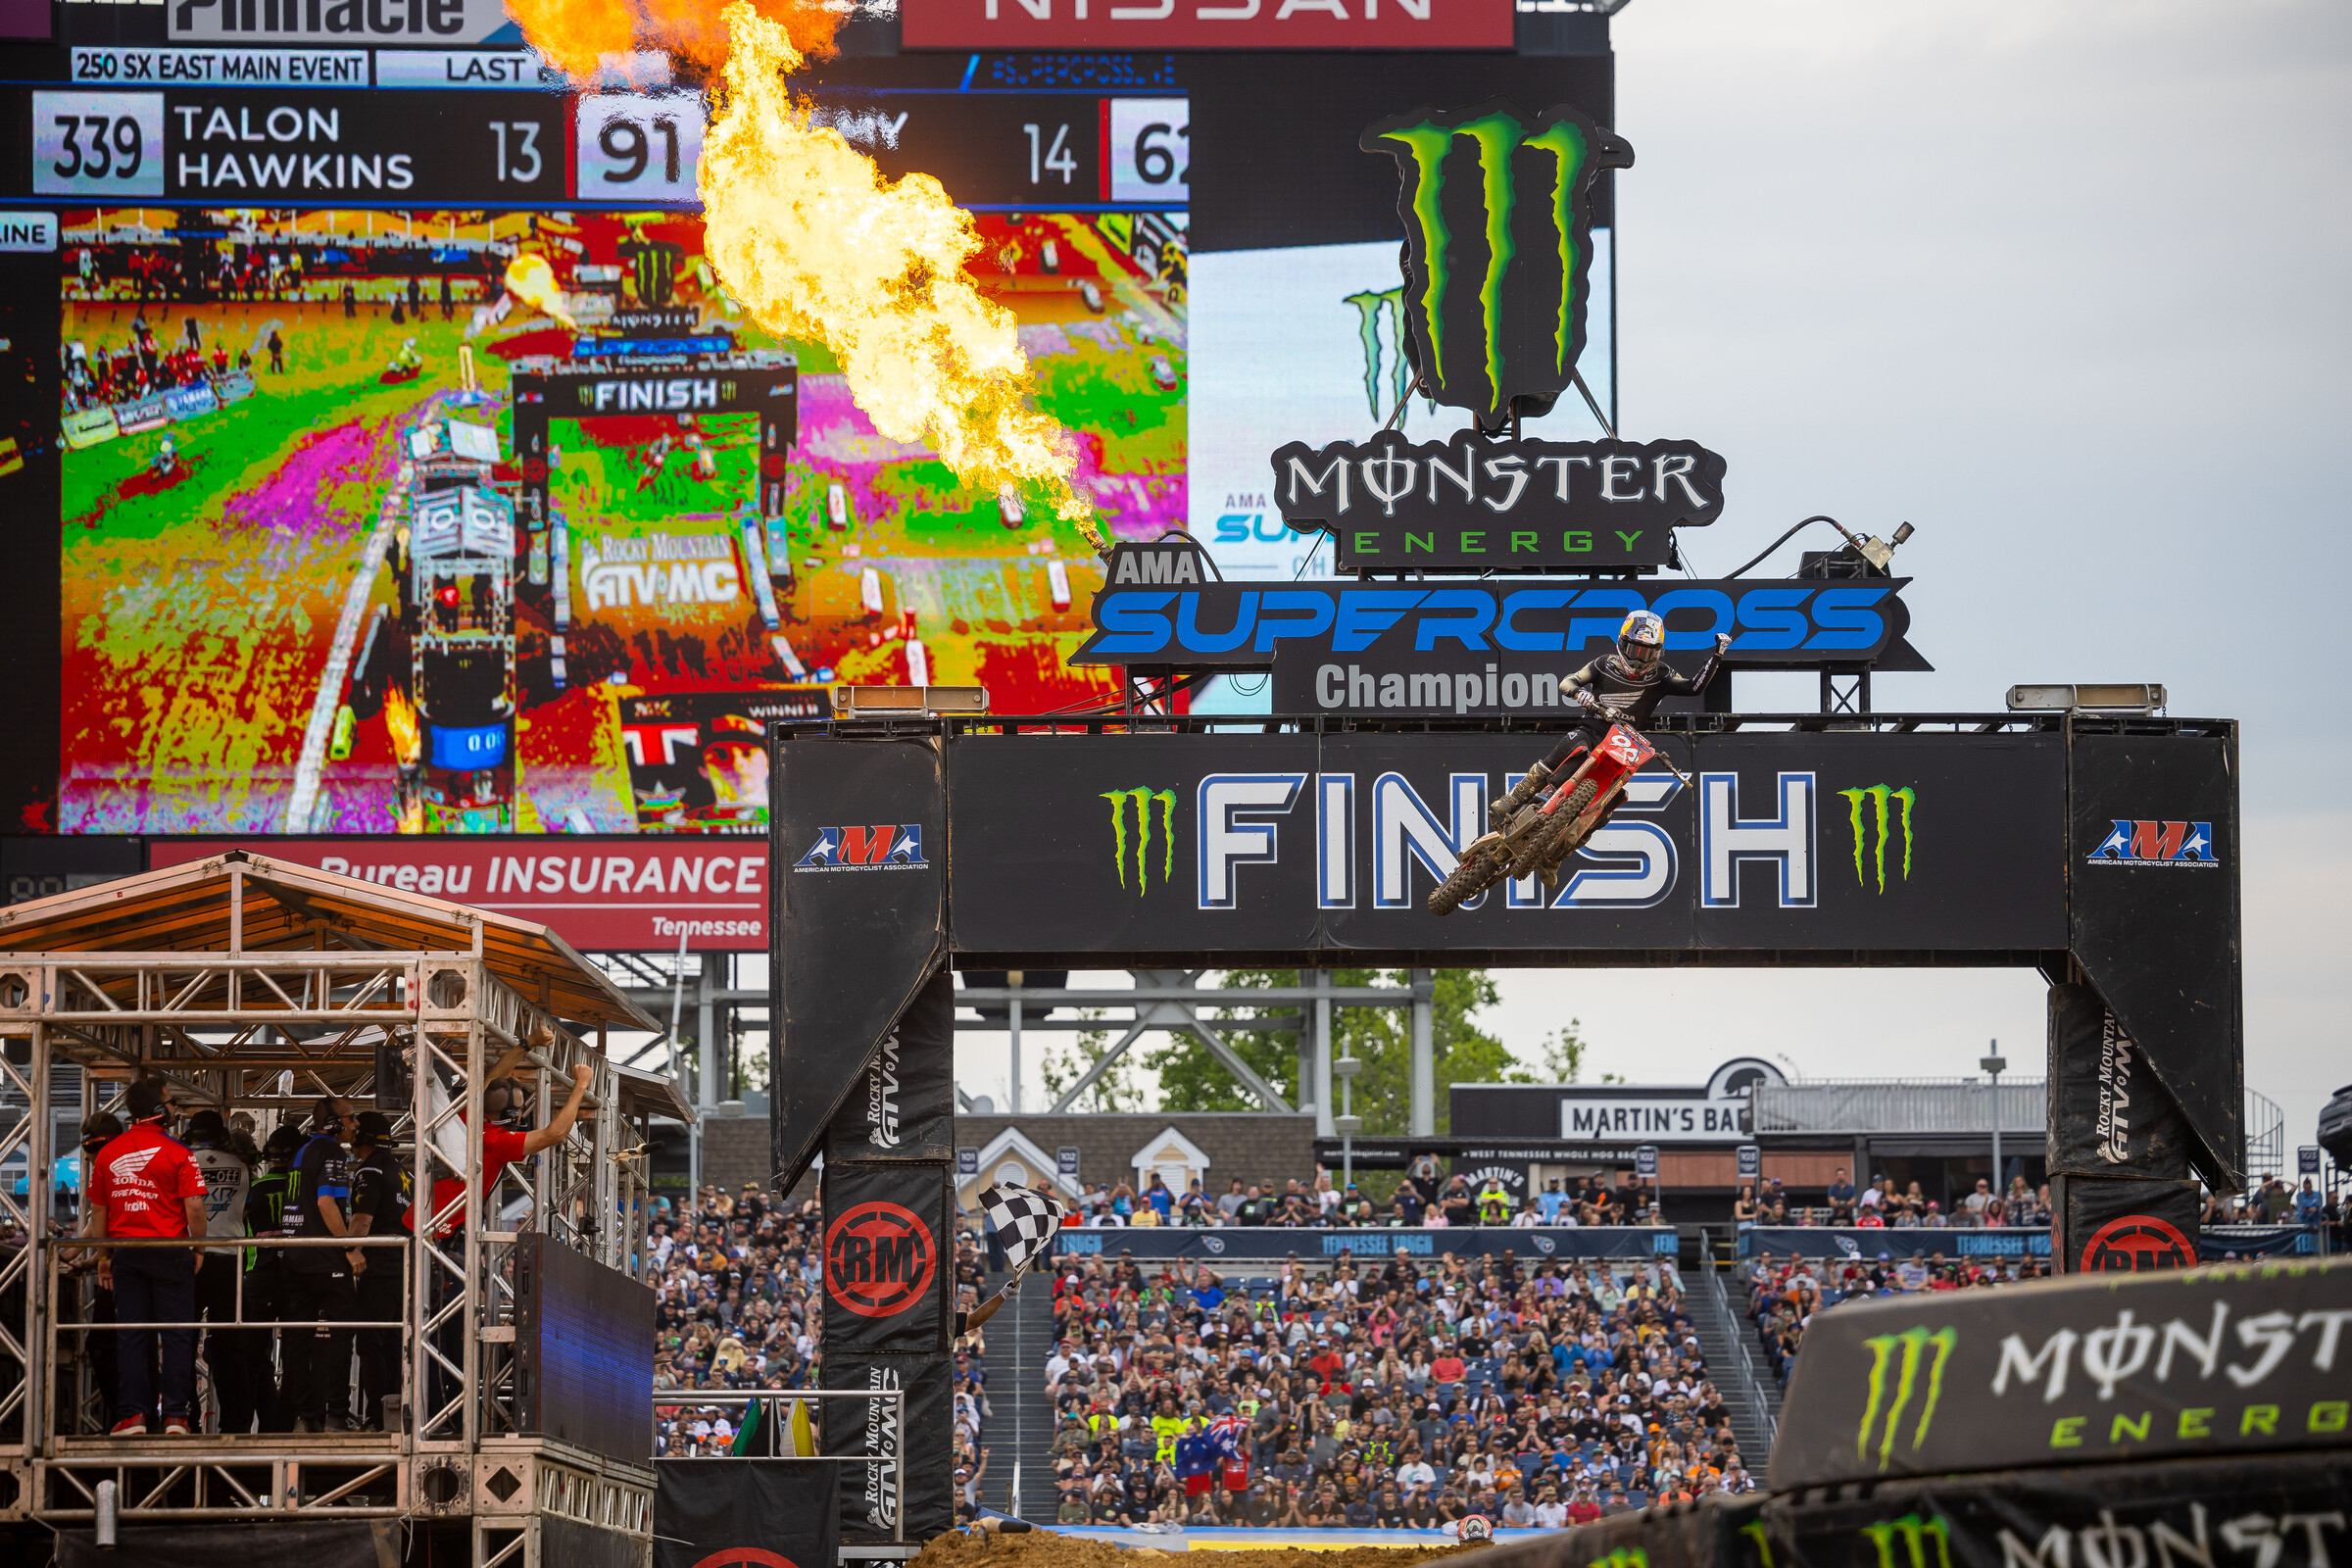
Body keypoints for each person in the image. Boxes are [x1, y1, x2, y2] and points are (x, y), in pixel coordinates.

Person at [1488, 612, 1732, 831]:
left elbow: (1693, 687)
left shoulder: (1662, 673)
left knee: (1613, 798)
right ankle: (1512, 800)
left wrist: (1716, 656)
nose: (1640, 658)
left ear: (1657, 652)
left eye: (1647, 652)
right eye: (1636, 649)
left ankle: (1558, 853)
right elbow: (1567, 681)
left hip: (1624, 743)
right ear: (1623, 644)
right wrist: (1579, 693)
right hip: (1593, 728)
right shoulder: (1604, 663)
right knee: (1570, 746)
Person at [84, 1081, 208, 1436]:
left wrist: (103, 1255)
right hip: (170, 1253)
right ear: (158, 1108)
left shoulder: (109, 1152)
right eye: (170, 1102)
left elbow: (99, 1209)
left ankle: (134, 1416)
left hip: (126, 1255)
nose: (174, 1108)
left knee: (132, 1335)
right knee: (177, 1336)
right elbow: (195, 1207)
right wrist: (198, 1247)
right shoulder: (179, 1152)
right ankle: (176, 1417)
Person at [282, 1097, 361, 1432]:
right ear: (331, 1124)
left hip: (293, 1256)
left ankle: (305, 1416)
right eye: (350, 1118)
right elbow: (327, 1202)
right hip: (325, 1258)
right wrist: (350, 1247)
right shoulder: (332, 1151)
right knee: (339, 1336)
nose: (355, 1124)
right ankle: (336, 1415)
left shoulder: (301, 1152)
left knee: (299, 1339)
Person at [183, 1108, 261, 1436]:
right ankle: (236, 1424)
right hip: (230, 1259)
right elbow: (247, 1210)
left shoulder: (182, 1163)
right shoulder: (242, 1168)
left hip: (189, 1258)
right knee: (231, 1345)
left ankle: (183, 1418)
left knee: (182, 1342)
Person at [346, 1111, 410, 1431]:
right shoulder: (404, 1173)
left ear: (364, 1137)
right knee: (399, 1345)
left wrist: (347, 1250)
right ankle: (395, 1414)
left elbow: (362, 1221)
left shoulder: (368, 1170)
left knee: (371, 1344)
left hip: (379, 1271)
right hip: (406, 1273)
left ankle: (375, 1417)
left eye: (355, 1130)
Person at [243, 1123, 304, 1432]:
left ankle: (264, 1420)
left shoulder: (255, 1188)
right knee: (296, 1354)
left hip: (259, 1275)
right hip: (297, 1276)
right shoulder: (305, 1185)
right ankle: (286, 1420)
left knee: (255, 1354)